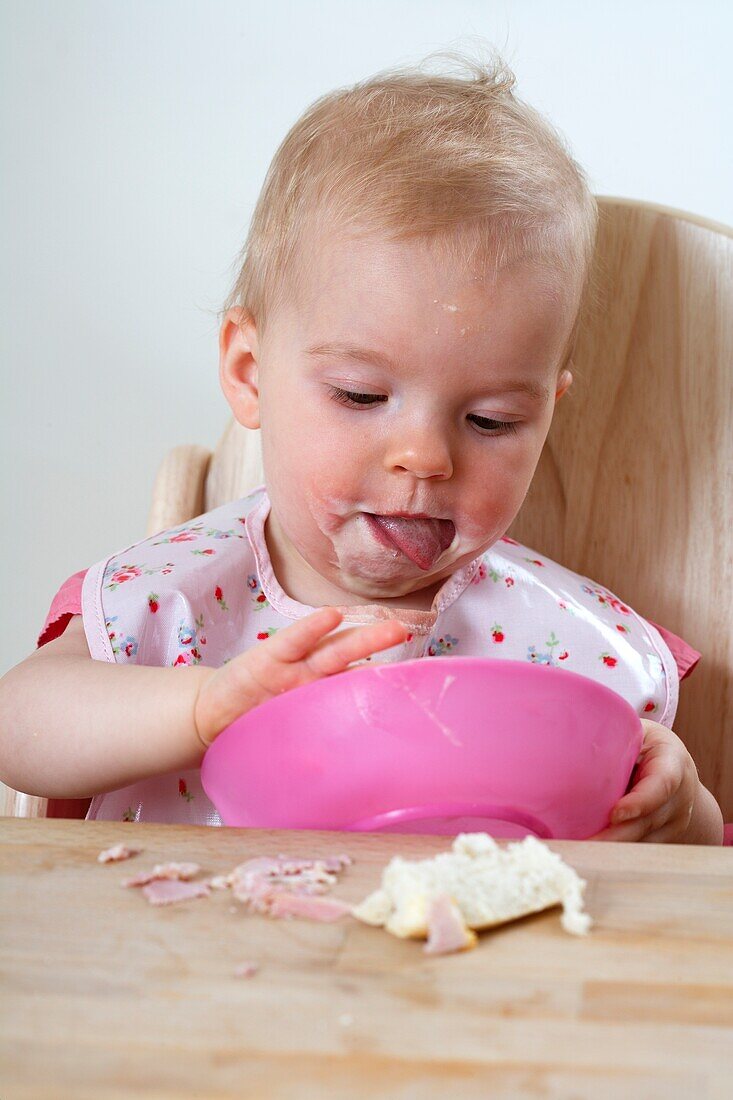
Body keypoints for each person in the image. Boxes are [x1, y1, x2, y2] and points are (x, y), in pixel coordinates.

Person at [0, 48, 723, 843]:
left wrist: (677, 807)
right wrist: (203, 708)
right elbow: (19, 730)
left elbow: (695, 877)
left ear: (546, 413)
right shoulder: (175, 601)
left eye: (489, 421)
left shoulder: (568, 648)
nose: (425, 458)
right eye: (360, 396)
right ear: (248, 374)